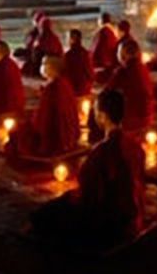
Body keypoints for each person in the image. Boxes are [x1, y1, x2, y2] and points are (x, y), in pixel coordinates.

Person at [30, 88, 146, 245]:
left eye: (96, 111)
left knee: (48, 214)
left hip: (110, 220)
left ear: (103, 117)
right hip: (132, 213)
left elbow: (90, 195)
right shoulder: (135, 146)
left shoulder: (102, 152)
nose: (95, 116)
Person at [11, 56, 81, 158]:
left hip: (54, 139)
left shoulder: (52, 89)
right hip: (69, 136)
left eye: (44, 64)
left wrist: (30, 123)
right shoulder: (65, 84)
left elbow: (43, 120)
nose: (42, 67)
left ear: (52, 68)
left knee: (18, 134)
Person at [100, 39, 156, 133]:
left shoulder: (123, 70)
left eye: (118, 51)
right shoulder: (143, 68)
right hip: (149, 116)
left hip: (132, 119)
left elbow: (106, 91)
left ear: (124, 53)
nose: (117, 54)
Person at [62, 28, 95, 97]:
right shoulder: (85, 53)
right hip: (85, 88)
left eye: (68, 38)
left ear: (73, 39)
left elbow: (64, 73)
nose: (66, 40)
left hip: (72, 88)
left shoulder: (68, 55)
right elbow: (90, 72)